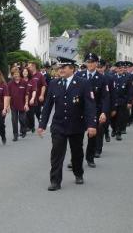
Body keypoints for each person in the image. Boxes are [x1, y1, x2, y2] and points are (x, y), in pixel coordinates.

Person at [37, 57, 97, 191]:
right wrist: (42, 124)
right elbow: (47, 106)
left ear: (72, 69)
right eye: (60, 67)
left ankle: (78, 173)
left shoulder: (83, 83)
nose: (61, 70)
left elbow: (90, 106)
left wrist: (91, 125)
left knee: (77, 152)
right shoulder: (54, 83)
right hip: (58, 125)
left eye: (64, 67)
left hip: (76, 125)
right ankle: (55, 181)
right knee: (56, 154)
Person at [75, 53, 109, 166]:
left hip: (95, 111)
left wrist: (104, 112)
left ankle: (90, 158)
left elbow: (105, 97)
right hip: (80, 111)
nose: (90, 64)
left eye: (92, 62)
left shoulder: (102, 78)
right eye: (88, 62)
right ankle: (75, 159)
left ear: (96, 63)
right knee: (76, 137)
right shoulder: (79, 75)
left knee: (92, 135)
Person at [8, 67, 33, 141]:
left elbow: (26, 94)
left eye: (17, 74)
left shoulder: (24, 82)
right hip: (13, 105)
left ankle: (23, 130)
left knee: (22, 119)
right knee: (14, 120)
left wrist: (26, 104)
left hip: (22, 104)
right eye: (14, 74)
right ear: (12, 75)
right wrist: (8, 105)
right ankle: (15, 135)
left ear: (19, 74)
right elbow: (8, 95)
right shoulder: (10, 84)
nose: (16, 75)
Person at [110, 61, 133, 141]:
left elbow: (130, 91)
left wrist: (129, 102)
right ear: (116, 69)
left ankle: (118, 133)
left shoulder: (127, 78)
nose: (121, 69)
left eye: (122, 68)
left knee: (120, 117)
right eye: (119, 68)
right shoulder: (111, 77)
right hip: (113, 101)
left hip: (122, 101)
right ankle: (113, 129)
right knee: (113, 118)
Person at [27, 61, 47, 132]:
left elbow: (44, 86)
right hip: (28, 98)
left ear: (34, 66)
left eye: (29, 67)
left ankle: (41, 125)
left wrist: (42, 95)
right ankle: (30, 126)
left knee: (38, 112)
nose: (28, 68)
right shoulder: (27, 75)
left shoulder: (39, 75)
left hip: (37, 98)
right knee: (28, 113)